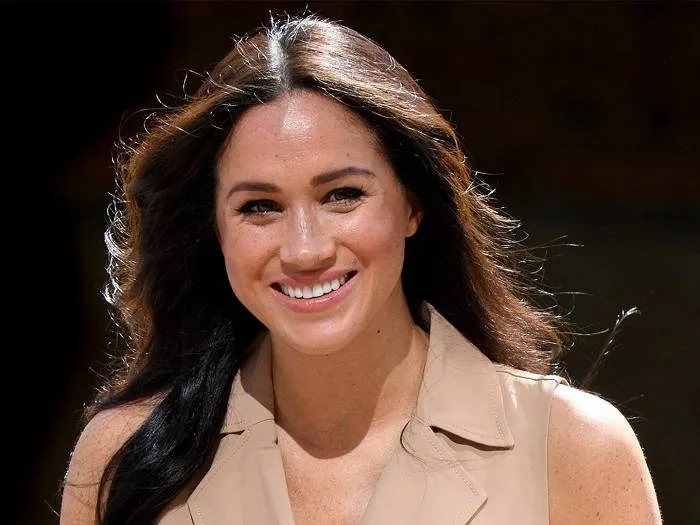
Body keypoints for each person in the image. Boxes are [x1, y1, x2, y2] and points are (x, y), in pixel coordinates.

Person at [60, 13, 662, 525]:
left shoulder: (572, 449)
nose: (305, 250)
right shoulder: (124, 458)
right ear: (214, 231)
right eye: (259, 207)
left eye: (342, 195)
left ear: (413, 205)